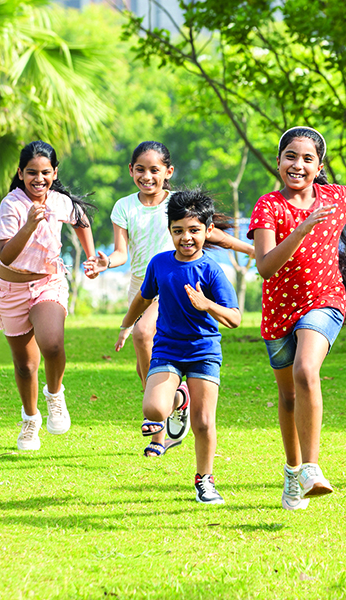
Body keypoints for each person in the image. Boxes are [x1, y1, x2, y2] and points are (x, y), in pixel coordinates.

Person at [248, 126, 346, 510]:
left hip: (324, 302)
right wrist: (302, 229)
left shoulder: (336, 197)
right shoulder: (268, 205)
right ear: (278, 161)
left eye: (307, 159)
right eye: (290, 156)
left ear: (319, 166)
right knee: (287, 397)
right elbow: (267, 267)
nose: (298, 165)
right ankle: (293, 472)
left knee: (307, 370)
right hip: (278, 312)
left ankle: (311, 467)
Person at [84, 141, 254, 458]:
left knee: (143, 332)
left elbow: (211, 233)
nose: (147, 176)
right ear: (131, 170)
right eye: (140, 169)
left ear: (168, 172)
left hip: (173, 282)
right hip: (145, 281)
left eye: (154, 170)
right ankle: (169, 407)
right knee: (143, 354)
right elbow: (121, 252)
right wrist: (105, 262)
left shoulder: (177, 205)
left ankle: (163, 412)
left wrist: (251, 250)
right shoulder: (124, 206)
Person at [115, 188, 241, 504]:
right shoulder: (159, 264)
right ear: (169, 230)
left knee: (203, 423)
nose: (186, 238)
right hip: (168, 349)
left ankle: (205, 480)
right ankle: (177, 398)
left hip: (203, 351)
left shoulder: (212, 269)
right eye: (178, 231)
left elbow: (235, 318)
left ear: (208, 231)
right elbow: (142, 298)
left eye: (194, 231)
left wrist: (207, 305)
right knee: (153, 409)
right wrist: (126, 326)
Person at [0, 140, 99, 451]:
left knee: (52, 343)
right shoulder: (12, 205)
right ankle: (30, 419)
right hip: (11, 289)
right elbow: (6, 256)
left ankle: (55, 396)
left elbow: (80, 218)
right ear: (21, 173)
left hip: (48, 282)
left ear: (54, 173)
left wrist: (91, 257)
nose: (39, 179)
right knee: (25, 365)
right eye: (32, 173)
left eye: (46, 173)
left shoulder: (59, 201)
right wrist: (29, 225)